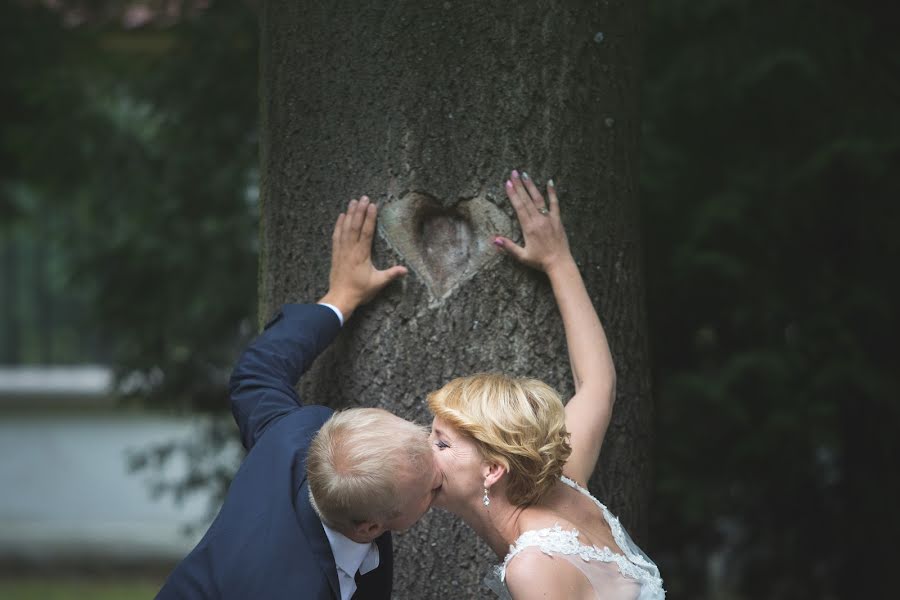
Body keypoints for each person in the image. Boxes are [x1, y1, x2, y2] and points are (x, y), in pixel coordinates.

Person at [157, 196, 441, 600]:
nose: (442, 470)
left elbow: (257, 375)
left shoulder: (293, 437)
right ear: (370, 528)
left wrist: (340, 297)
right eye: (430, 491)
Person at [426, 170, 665, 599]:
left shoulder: (534, 567)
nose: (422, 450)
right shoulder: (557, 477)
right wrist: (558, 261)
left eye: (441, 444)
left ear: (494, 469)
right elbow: (596, 384)